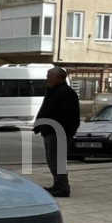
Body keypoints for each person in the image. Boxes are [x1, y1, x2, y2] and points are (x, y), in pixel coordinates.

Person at [34, 67, 80, 198]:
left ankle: (63, 188)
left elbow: (69, 116)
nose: (47, 78)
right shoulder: (53, 90)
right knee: (52, 161)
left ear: (59, 78)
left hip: (58, 133)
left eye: (49, 76)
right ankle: (58, 185)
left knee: (57, 161)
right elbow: (45, 109)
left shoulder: (66, 92)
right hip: (49, 131)